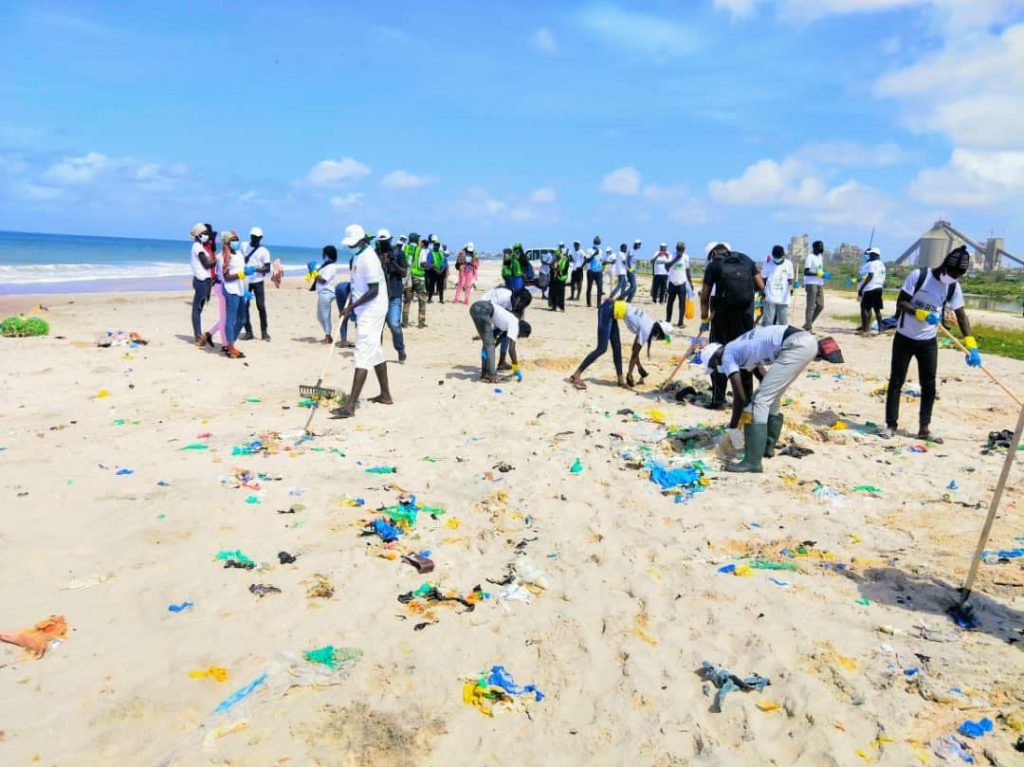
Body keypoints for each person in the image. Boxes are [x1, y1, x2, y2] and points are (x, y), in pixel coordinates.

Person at [880, 245, 978, 443]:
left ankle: (924, 429)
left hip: (928, 342)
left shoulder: (953, 286)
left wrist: (971, 344)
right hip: (904, 337)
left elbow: (961, 316)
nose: (953, 277)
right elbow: (901, 303)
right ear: (944, 266)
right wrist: (919, 312)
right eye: (952, 273)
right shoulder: (919, 276)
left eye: (958, 275)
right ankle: (891, 425)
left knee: (929, 385)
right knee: (896, 381)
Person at [700, 323, 819, 473]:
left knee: (759, 402)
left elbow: (740, 397)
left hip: (794, 345)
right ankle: (766, 448)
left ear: (716, 358)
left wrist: (733, 426)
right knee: (769, 397)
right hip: (805, 342)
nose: (718, 369)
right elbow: (763, 378)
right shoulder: (740, 348)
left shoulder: (727, 355)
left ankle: (752, 462)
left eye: (714, 366)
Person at [332, 224, 392, 418]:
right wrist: (351, 299)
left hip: (373, 310)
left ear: (363, 240)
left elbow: (373, 290)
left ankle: (350, 406)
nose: (351, 246)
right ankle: (385, 394)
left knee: (362, 353)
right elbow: (357, 283)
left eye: (354, 243)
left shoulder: (369, 259)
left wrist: (350, 307)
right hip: (364, 308)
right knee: (374, 351)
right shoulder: (357, 256)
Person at [700, 242, 765, 409]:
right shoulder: (746, 260)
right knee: (746, 355)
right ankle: (747, 399)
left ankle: (719, 399)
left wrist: (704, 319)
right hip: (745, 316)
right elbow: (761, 286)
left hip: (722, 317)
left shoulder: (714, 266)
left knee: (719, 354)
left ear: (713, 254)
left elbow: (704, 296)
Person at [568, 299, 672, 390]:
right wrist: (630, 374)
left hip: (612, 311)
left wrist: (639, 368)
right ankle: (576, 375)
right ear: (658, 332)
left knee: (617, 347)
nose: (659, 340)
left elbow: (634, 351)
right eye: (661, 338)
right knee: (602, 348)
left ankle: (620, 380)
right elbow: (635, 354)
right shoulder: (647, 330)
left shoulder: (649, 323)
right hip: (607, 310)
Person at [473, 287, 533, 381]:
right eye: (521, 336)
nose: (518, 337)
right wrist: (516, 368)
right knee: (490, 345)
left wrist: (488, 348)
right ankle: (491, 374)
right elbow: (512, 349)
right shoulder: (504, 299)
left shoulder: (509, 321)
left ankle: (485, 372)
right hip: (483, 308)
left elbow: (498, 338)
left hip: (480, 309)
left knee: (488, 345)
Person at [219, 230, 254, 359]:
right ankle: (231, 347)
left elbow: (242, 272)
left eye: (237, 239)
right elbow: (226, 277)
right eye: (233, 240)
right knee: (231, 319)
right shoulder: (223, 256)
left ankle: (229, 345)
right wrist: (241, 274)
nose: (236, 242)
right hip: (230, 290)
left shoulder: (239, 254)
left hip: (239, 290)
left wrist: (246, 289)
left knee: (242, 319)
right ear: (227, 242)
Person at [376, 229, 407, 363]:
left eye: (386, 241)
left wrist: (393, 261)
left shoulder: (398, 252)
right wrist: (380, 262)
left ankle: (400, 350)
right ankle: (377, 354)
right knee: (378, 327)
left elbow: (404, 272)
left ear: (390, 240)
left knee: (394, 324)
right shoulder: (374, 254)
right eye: (381, 241)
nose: (384, 244)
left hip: (394, 294)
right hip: (379, 296)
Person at [189, 222, 217, 347]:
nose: (206, 235)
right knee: (197, 308)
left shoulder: (199, 246)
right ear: (198, 235)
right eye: (204, 233)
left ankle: (198, 335)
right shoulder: (197, 247)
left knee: (199, 308)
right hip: (200, 281)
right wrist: (217, 261)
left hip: (204, 280)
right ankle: (197, 336)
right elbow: (206, 264)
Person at [241, 227, 272, 341]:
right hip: (246, 282)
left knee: (261, 306)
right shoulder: (244, 246)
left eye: (256, 237)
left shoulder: (264, 251)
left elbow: (267, 268)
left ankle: (264, 332)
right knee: (244, 306)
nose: (254, 239)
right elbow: (240, 260)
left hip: (258, 282)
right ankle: (248, 332)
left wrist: (255, 269)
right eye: (252, 237)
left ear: (260, 238)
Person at [308, 245, 340, 344]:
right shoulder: (326, 265)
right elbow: (313, 277)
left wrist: (313, 271)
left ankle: (328, 336)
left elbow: (322, 280)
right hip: (322, 293)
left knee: (325, 315)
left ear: (327, 254)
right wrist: (311, 271)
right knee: (320, 316)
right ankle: (327, 335)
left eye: (324, 253)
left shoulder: (331, 266)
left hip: (327, 292)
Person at [761, 245, 794, 326]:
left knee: (783, 322)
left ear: (783, 255)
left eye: (779, 256)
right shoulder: (768, 264)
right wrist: (763, 291)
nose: (777, 258)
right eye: (775, 257)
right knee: (768, 322)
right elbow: (763, 278)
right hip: (770, 297)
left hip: (783, 298)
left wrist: (791, 288)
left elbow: (790, 279)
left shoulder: (788, 264)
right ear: (773, 255)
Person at [857, 247, 886, 334]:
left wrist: (862, 288)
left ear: (875, 255)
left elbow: (870, 276)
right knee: (877, 310)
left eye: (871, 254)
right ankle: (881, 329)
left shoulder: (872, 264)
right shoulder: (882, 264)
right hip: (879, 288)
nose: (870, 256)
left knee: (865, 308)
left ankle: (865, 330)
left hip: (870, 288)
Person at [402, 233, 428, 329]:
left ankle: (404, 322)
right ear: (416, 240)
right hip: (418, 278)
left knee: (407, 300)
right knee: (422, 300)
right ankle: (421, 323)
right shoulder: (420, 250)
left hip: (407, 278)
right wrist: (430, 267)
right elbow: (423, 263)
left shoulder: (404, 248)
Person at [665, 241, 692, 328]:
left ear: (684, 250)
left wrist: (690, 282)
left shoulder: (686, 257)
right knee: (670, 303)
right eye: (679, 249)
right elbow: (667, 266)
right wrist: (676, 258)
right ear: (676, 249)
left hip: (682, 283)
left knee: (682, 303)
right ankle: (668, 321)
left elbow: (687, 270)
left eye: (682, 249)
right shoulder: (671, 256)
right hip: (672, 283)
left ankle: (680, 322)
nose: (680, 251)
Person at [802, 240, 827, 331]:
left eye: (822, 246)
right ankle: (809, 327)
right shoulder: (810, 257)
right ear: (814, 248)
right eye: (820, 246)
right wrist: (818, 274)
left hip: (819, 283)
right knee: (811, 305)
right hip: (811, 283)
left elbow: (820, 270)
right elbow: (806, 271)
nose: (821, 248)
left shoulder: (820, 257)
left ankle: (808, 323)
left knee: (820, 305)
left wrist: (823, 274)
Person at [549, 245, 570, 312]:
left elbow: (564, 269)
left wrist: (557, 269)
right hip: (554, 278)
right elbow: (551, 267)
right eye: (556, 255)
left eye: (558, 255)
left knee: (561, 293)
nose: (557, 256)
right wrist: (553, 267)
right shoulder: (554, 259)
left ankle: (561, 307)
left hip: (561, 278)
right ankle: (554, 306)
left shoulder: (565, 259)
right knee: (553, 292)